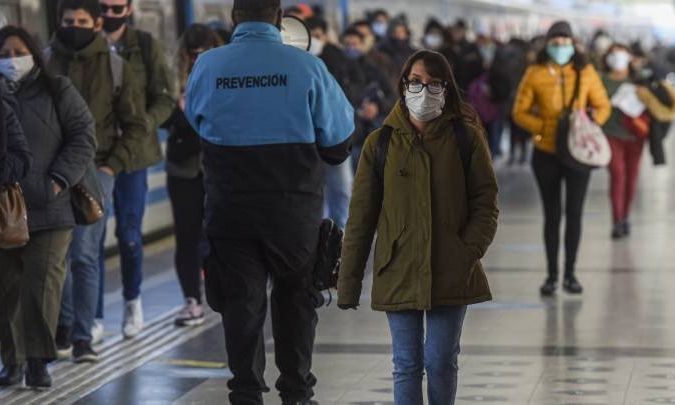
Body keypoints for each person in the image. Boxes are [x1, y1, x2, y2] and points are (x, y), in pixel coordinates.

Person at [184, 0, 354, 403]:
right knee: (296, 299)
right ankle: (296, 391)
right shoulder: (307, 67)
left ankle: (245, 390)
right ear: (279, 20)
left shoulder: (207, 66)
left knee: (240, 303)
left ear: (233, 20)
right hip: (292, 212)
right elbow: (339, 142)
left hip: (230, 209)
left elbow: (196, 123)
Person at [338, 50, 498, 405]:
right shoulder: (379, 144)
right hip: (398, 267)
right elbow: (361, 217)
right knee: (407, 364)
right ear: (403, 85)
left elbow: (486, 202)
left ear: (446, 88)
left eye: (433, 83)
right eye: (415, 82)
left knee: (440, 361)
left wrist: (466, 250)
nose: (423, 91)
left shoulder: (465, 139)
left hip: (451, 267)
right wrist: (348, 283)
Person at [49, 0, 146, 362]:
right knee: (56, 257)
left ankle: (82, 335)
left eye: (81, 20)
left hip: (96, 172)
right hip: (50, 174)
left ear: (95, 24)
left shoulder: (116, 66)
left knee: (84, 255)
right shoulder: (45, 62)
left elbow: (136, 125)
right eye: (68, 20)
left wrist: (111, 168)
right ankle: (64, 323)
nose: (74, 25)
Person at [0, 26, 95, 388]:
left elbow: (84, 136)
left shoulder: (58, 89)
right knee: (6, 290)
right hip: (3, 209)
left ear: (34, 53)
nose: (11, 60)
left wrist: (57, 181)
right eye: (4, 54)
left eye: (18, 52)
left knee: (41, 287)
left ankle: (38, 361)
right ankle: (12, 360)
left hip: (49, 206)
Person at [512, 21, 611, 296]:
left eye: (565, 41)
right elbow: (519, 111)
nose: (561, 47)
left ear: (573, 43)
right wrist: (544, 127)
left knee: (575, 213)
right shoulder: (534, 73)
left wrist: (592, 120)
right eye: (556, 42)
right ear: (547, 43)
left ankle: (571, 274)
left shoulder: (586, 72)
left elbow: (603, 105)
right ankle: (551, 275)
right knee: (552, 215)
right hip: (546, 153)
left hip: (578, 152)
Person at [96, 0, 175, 340]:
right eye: (103, 7)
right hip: (95, 156)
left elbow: (165, 98)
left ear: (129, 7)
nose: (109, 14)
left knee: (129, 235)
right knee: (90, 240)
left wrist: (143, 123)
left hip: (134, 156)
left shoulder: (145, 46)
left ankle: (132, 301)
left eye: (116, 7)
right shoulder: (84, 45)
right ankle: (93, 315)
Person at [165, 23, 222, 327]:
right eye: (192, 54)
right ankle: (192, 300)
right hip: (183, 166)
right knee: (186, 235)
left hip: (219, 165)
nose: (196, 59)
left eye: (203, 53)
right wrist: (180, 111)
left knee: (219, 232)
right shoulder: (171, 80)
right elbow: (159, 115)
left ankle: (220, 290)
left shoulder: (226, 73)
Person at [600, 44, 646, 239]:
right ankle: (617, 219)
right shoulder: (600, 80)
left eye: (621, 53)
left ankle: (626, 216)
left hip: (635, 136)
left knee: (632, 176)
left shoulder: (639, 79)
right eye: (613, 54)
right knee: (617, 175)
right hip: (611, 134)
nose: (617, 58)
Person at [440, 19, 484, 92]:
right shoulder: (446, 49)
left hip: (467, 88)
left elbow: (479, 67)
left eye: (459, 31)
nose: (456, 33)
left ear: (464, 31)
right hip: (450, 88)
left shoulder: (471, 48)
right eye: (454, 31)